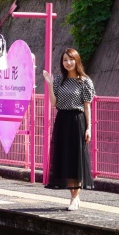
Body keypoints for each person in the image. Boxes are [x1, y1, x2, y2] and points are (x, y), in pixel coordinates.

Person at [42, 48, 95, 211]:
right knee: (65, 158)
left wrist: (89, 128)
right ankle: (73, 196)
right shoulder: (59, 80)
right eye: (65, 60)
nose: (68, 63)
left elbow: (87, 107)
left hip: (77, 121)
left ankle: (75, 197)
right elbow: (54, 103)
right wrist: (50, 85)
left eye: (71, 59)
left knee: (76, 160)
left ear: (77, 60)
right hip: (62, 120)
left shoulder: (84, 81)